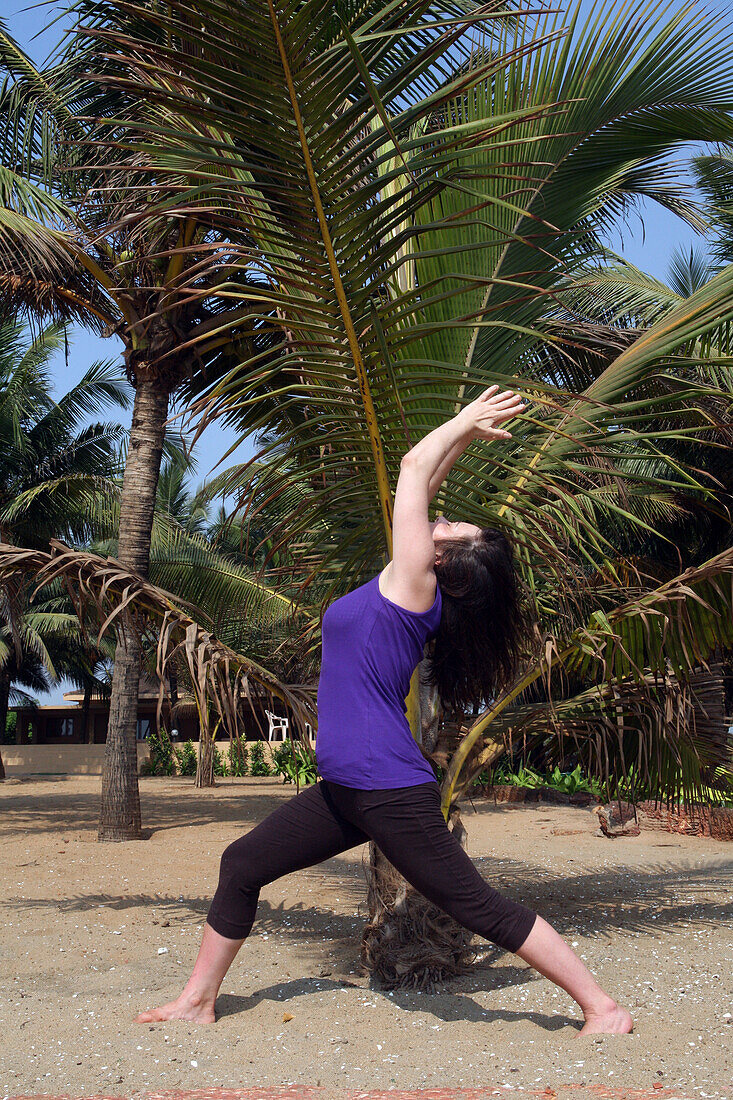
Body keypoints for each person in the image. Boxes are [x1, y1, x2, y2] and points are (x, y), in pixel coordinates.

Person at [135, 386, 633, 1036]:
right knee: (243, 864)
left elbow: (412, 472)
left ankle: (601, 1008)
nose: (440, 517)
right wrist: (465, 437)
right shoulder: (396, 586)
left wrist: (460, 420)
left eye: (452, 529)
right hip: (348, 787)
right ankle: (197, 1000)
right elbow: (427, 480)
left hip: (386, 787)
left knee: (476, 905)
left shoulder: (412, 585)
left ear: (445, 563)